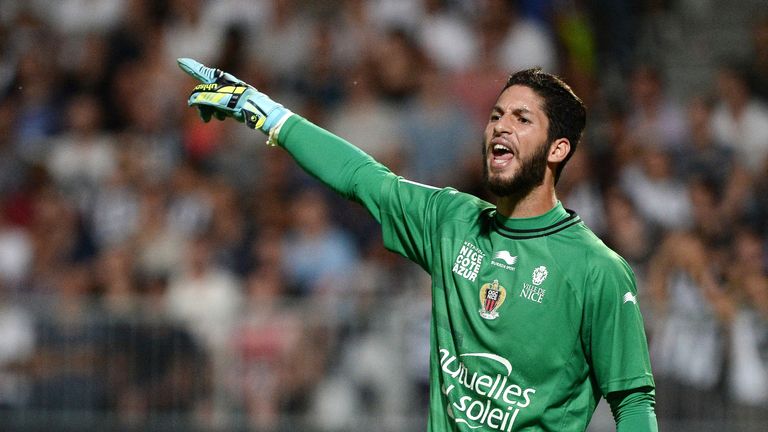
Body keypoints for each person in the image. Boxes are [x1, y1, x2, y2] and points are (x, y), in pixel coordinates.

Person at [177, 58, 657, 431]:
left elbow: (632, 402)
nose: (500, 126)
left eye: (521, 118)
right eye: (495, 115)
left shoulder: (598, 271)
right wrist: (261, 109)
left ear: (558, 149)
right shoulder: (451, 221)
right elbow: (362, 177)